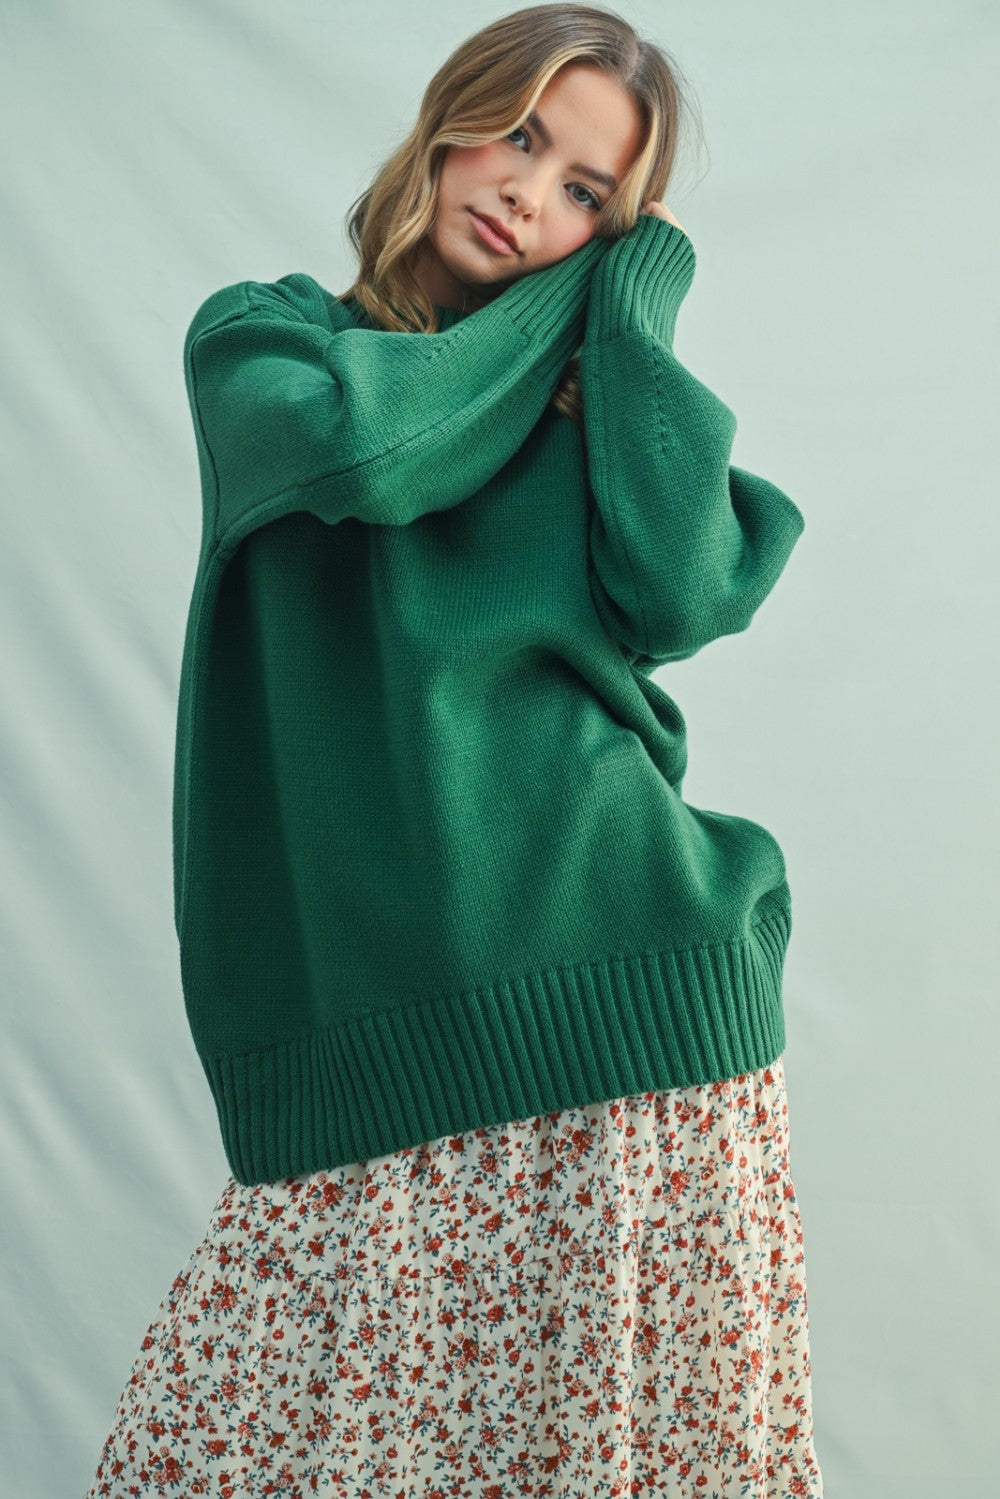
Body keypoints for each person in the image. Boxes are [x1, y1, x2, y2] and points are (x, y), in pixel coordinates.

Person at [84, 5, 824, 1494]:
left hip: (634, 1000)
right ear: (452, 117)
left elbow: (687, 591)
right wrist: (573, 307)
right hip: (368, 1037)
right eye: (522, 137)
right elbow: (367, 455)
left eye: (587, 195)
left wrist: (632, 322)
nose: (528, 195)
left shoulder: (588, 404)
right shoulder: (265, 342)